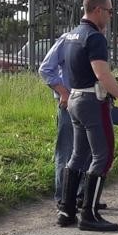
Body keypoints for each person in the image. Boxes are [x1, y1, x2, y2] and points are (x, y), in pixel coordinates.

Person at [58, 0, 118, 231]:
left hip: (75, 99)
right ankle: (89, 214)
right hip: (93, 102)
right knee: (103, 156)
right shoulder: (94, 38)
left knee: (77, 155)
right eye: (110, 11)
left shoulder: (72, 35)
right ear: (98, 10)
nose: (111, 15)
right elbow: (102, 75)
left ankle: (66, 210)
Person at [38, 38, 105, 213]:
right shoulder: (67, 40)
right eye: (108, 12)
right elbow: (45, 69)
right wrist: (63, 92)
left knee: (89, 151)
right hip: (69, 104)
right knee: (67, 151)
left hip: (91, 102)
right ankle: (63, 199)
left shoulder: (97, 41)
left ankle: (83, 197)